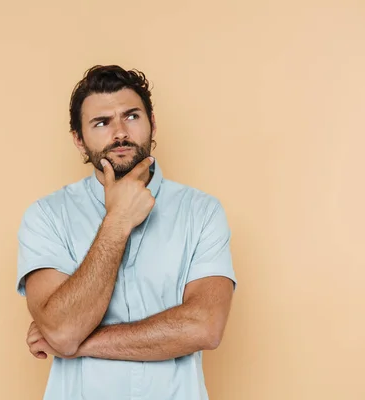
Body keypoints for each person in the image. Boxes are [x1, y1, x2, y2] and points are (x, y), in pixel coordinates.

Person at [16, 65, 237, 400]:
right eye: (101, 122)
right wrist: (118, 221)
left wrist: (78, 344)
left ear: (152, 125)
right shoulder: (47, 216)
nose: (120, 132)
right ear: (79, 139)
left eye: (131, 116)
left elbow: (204, 326)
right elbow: (61, 330)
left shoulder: (201, 211)